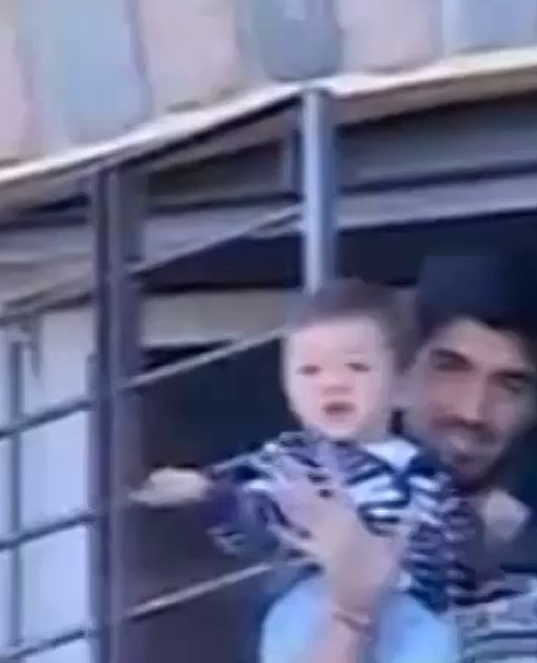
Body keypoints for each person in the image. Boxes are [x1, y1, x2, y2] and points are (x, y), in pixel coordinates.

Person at [132, 278, 476, 663]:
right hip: (312, 604)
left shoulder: (423, 468)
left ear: (402, 387)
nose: (332, 383)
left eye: (357, 367)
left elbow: (453, 556)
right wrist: (210, 494)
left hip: (411, 614)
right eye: (309, 371)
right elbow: (255, 523)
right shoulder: (292, 458)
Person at [271, 251, 537, 663]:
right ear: (397, 372)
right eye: (449, 368)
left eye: (509, 386)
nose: (472, 410)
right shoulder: (311, 505)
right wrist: (352, 610)